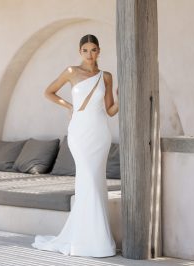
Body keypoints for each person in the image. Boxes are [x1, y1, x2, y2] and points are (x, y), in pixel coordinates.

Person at [31, 34, 119, 257]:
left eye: (94, 50)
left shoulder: (106, 77)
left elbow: (109, 110)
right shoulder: (71, 72)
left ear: (99, 51)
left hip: (100, 133)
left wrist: (120, 100)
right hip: (80, 132)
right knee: (87, 180)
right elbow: (48, 92)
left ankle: (97, 241)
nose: (90, 54)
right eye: (86, 50)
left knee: (96, 183)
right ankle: (85, 241)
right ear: (80, 52)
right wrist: (69, 106)